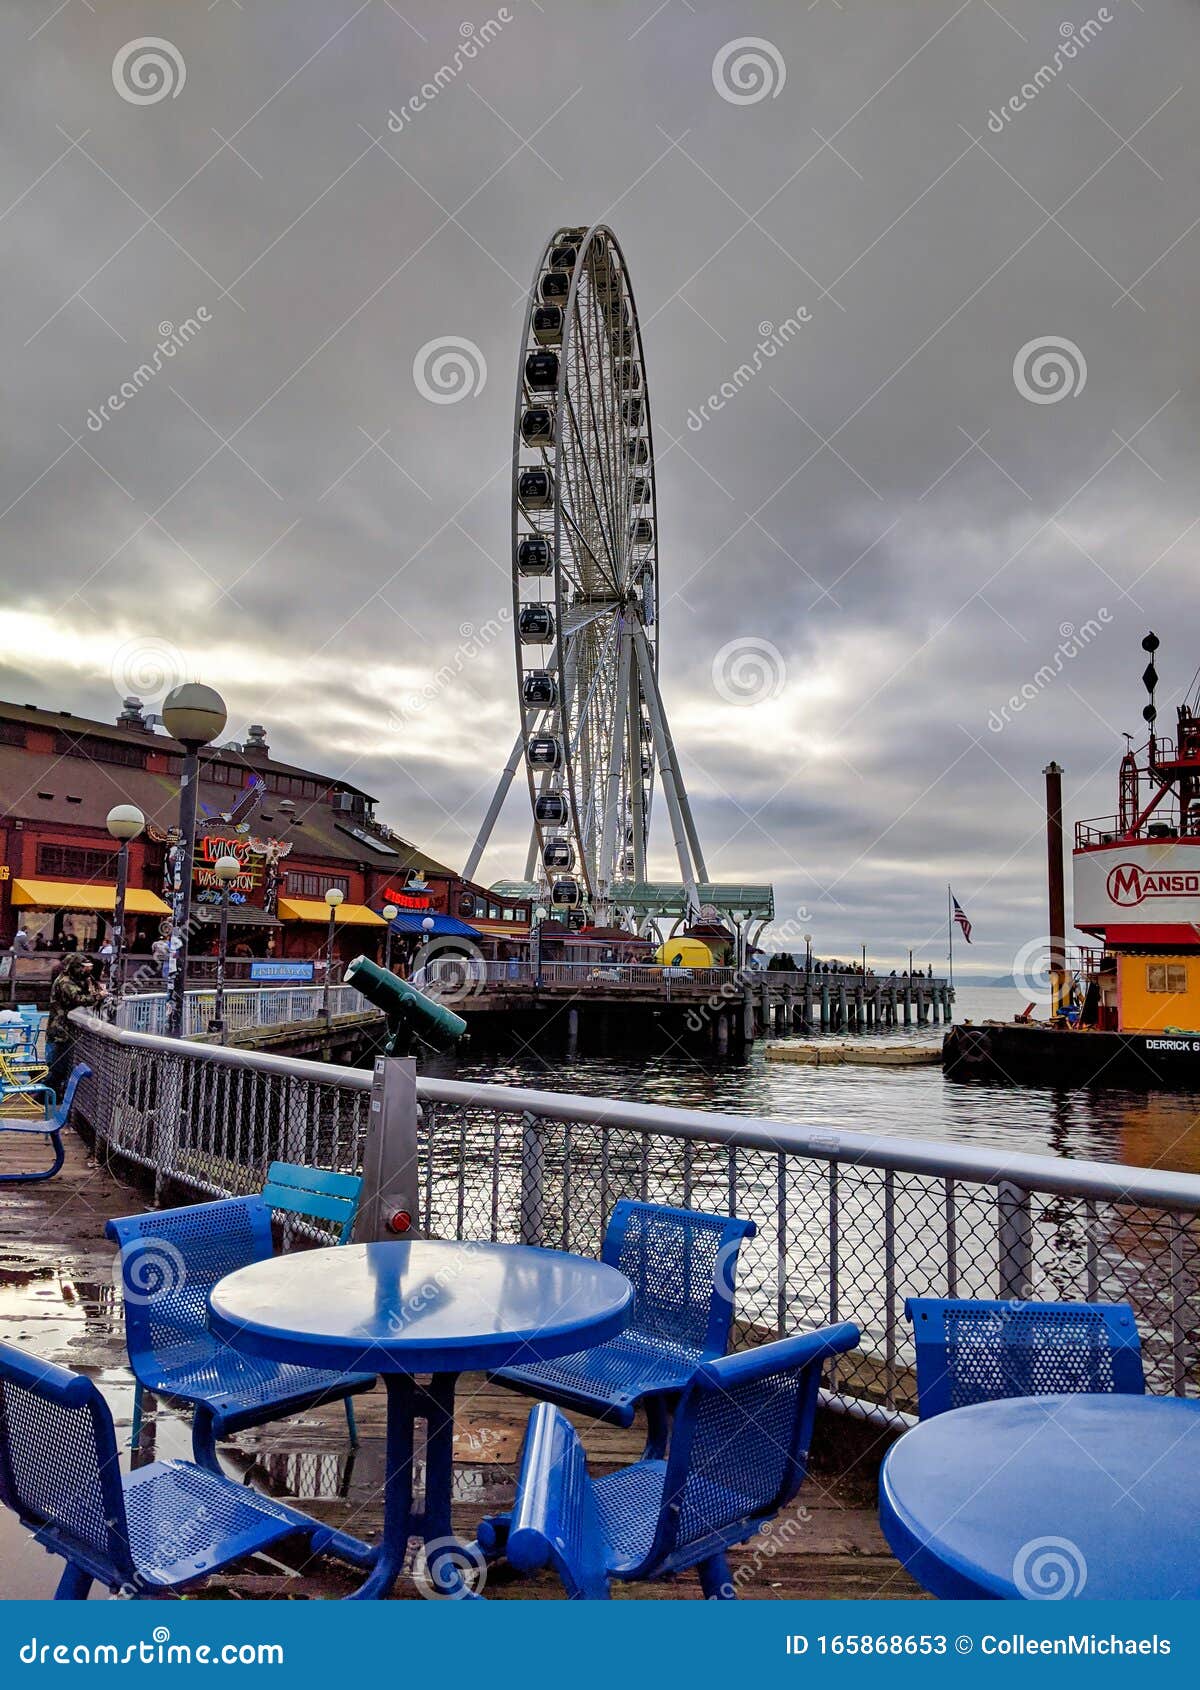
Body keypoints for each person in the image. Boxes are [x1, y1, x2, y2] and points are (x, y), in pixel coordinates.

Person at [46, 955, 103, 1099]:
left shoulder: (76, 979)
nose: (86, 970)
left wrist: (93, 986)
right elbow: (77, 999)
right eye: (83, 967)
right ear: (75, 967)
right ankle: (45, 1096)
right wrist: (98, 996)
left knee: (63, 1064)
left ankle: (51, 1093)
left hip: (67, 1030)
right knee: (58, 1065)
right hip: (60, 1030)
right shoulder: (65, 981)